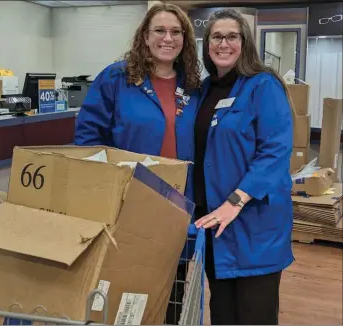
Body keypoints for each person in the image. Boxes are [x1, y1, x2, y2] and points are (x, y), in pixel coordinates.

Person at [74, 3, 202, 324]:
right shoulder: (116, 78)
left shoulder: (196, 86)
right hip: (125, 206)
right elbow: (89, 137)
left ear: (185, 39)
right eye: (159, 30)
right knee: (121, 285)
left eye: (176, 32)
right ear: (145, 36)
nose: (167, 38)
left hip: (178, 207)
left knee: (171, 289)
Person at [193, 8, 295, 325]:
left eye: (232, 36)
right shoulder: (204, 90)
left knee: (255, 314)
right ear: (207, 44)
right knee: (222, 312)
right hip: (214, 225)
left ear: (245, 42)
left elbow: (275, 151)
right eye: (217, 36)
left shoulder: (263, 86)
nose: (224, 43)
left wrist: (236, 200)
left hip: (254, 224)